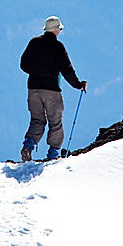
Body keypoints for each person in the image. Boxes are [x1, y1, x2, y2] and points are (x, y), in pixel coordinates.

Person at [19, 15, 87, 161]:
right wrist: (78, 85)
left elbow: (23, 64)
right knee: (55, 121)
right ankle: (52, 154)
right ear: (56, 30)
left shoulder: (34, 43)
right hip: (51, 90)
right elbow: (67, 70)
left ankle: (28, 146)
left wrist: (36, 72)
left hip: (33, 88)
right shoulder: (58, 47)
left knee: (37, 120)